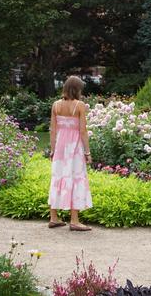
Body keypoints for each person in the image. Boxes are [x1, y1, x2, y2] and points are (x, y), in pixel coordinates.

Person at [47, 76, 93, 231]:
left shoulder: (55, 105)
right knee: (75, 179)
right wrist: (87, 152)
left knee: (57, 178)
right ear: (76, 89)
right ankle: (74, 220)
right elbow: (83, 131)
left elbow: (53, 130)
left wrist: (52, 150)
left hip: (60, 147)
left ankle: (53, 218)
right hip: (74, 148)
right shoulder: (79, 105)